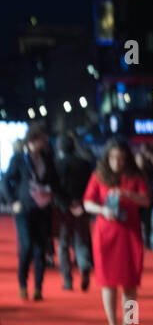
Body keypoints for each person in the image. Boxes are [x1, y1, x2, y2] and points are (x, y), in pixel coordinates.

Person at [83, 140, 149, 325]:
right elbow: (87, 203)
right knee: (108, 284)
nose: (117, 162)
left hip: (130, 234)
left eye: (121, 158)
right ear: (106, 158)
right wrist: (102, 210)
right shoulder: (98, 177)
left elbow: (146, 200)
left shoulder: (135, 177)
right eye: (113, 158)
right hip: (106, 234)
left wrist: (128, 194)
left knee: (131, 284)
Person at [0, 122, 58, 301]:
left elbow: (55, 181)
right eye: (40, 139)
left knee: (40, 248)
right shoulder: (19, 159)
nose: (43, 142)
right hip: (23, 208)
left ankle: (38, 288)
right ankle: (23, 284)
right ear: (32, 139)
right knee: (26, 246)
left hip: (42, 208)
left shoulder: (48, 159)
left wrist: (51, 192)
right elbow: (5, 180)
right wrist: (12, 201)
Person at [55, 134, 94, 291]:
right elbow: (89, 186)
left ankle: (67, 279)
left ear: (59, 147)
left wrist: (65, 204)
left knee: (63, 244)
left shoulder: (56, 164)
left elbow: (55, 189)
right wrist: (80, 203)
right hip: (81, 207)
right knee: (81, 240)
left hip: (62, 210)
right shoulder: (84, 164)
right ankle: (84, 266)